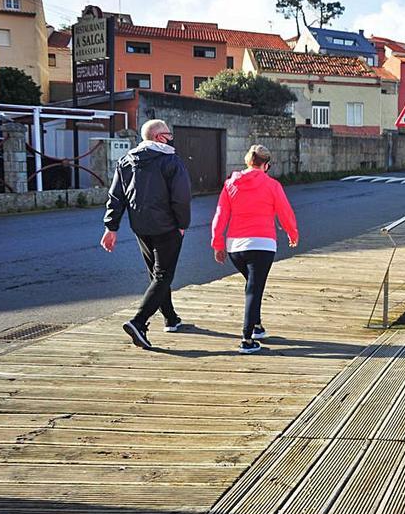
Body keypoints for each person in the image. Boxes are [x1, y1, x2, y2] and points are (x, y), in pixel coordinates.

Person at [102, 119, 192, 350]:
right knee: (163, 275)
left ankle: (170, 318)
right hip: (167, 226)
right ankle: (138, 322)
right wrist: (182, 223)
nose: (171, 137)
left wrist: (111, 227)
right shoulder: (170, 161)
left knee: (157, 274)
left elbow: (116, 196)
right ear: (159, 137)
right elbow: (181, 196)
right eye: (168, 134)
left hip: (140, 226)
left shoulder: (127, 160)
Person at [210, 145, 298, 354]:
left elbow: (220, 215)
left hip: (235, 247)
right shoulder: (272, 185)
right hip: (262, 244)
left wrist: (218, 244)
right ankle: (247, 340)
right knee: (254, 289)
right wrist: (292, 233)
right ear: (266, 165)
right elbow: (285, 211)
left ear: (248, 161)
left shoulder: (231, 184)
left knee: (252, 285)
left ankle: (257, 327)